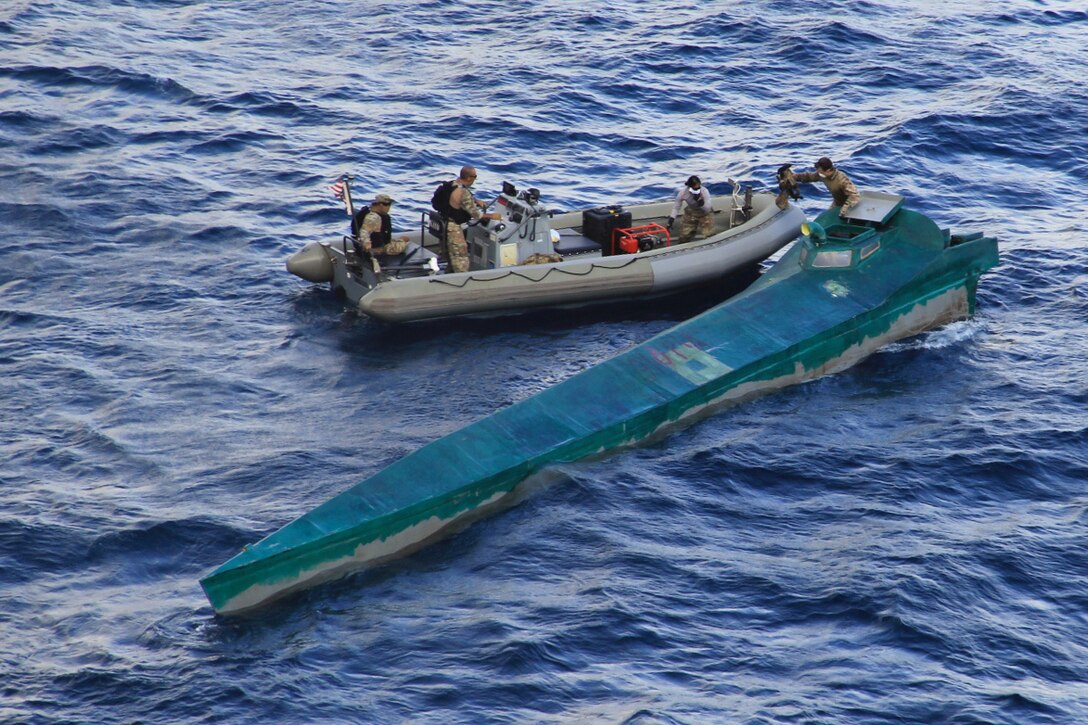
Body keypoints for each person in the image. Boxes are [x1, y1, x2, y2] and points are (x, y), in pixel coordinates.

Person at [442, 166, 501, 273]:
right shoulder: (464, 192)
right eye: (475, 176)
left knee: (452, 255)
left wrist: (475, 200)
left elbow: (458, 198)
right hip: (453, 227)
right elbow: (476, 215)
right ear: (469, 178)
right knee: (461, 258)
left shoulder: (453, 184)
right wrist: (492, 216)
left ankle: (449, 273)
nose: (475, 179)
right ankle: (462, 281)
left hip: (444, 222)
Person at [792, 157, 861, 217]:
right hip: (837, 203)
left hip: (850, 205)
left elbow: (854, 195)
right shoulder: (823, 175)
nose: (819, 174)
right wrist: (794, 177)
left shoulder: (842, 180)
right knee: (827, 217)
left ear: (828, 171)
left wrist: (845, 209)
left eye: (820, 172)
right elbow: (809, 177)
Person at [355, 193, 410, 259]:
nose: (389, 207)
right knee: (405, 239)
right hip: (379, 250)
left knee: (402, 239)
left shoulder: (370, 213)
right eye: (388, 205)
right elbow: (364, 232)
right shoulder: (374, 217)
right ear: (381, 205)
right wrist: (367, 246)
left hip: (380, 245)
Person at [667, 175, 713, 244]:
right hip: (691, 212)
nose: (697, 190)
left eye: (698, 188)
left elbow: (707, 208)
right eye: (695, 189)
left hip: (705, 213)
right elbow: (676, 207)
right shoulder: (683, 193)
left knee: (710, 235)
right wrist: (672, 219)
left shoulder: (704, 191)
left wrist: (701, 203)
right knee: (684, 236)